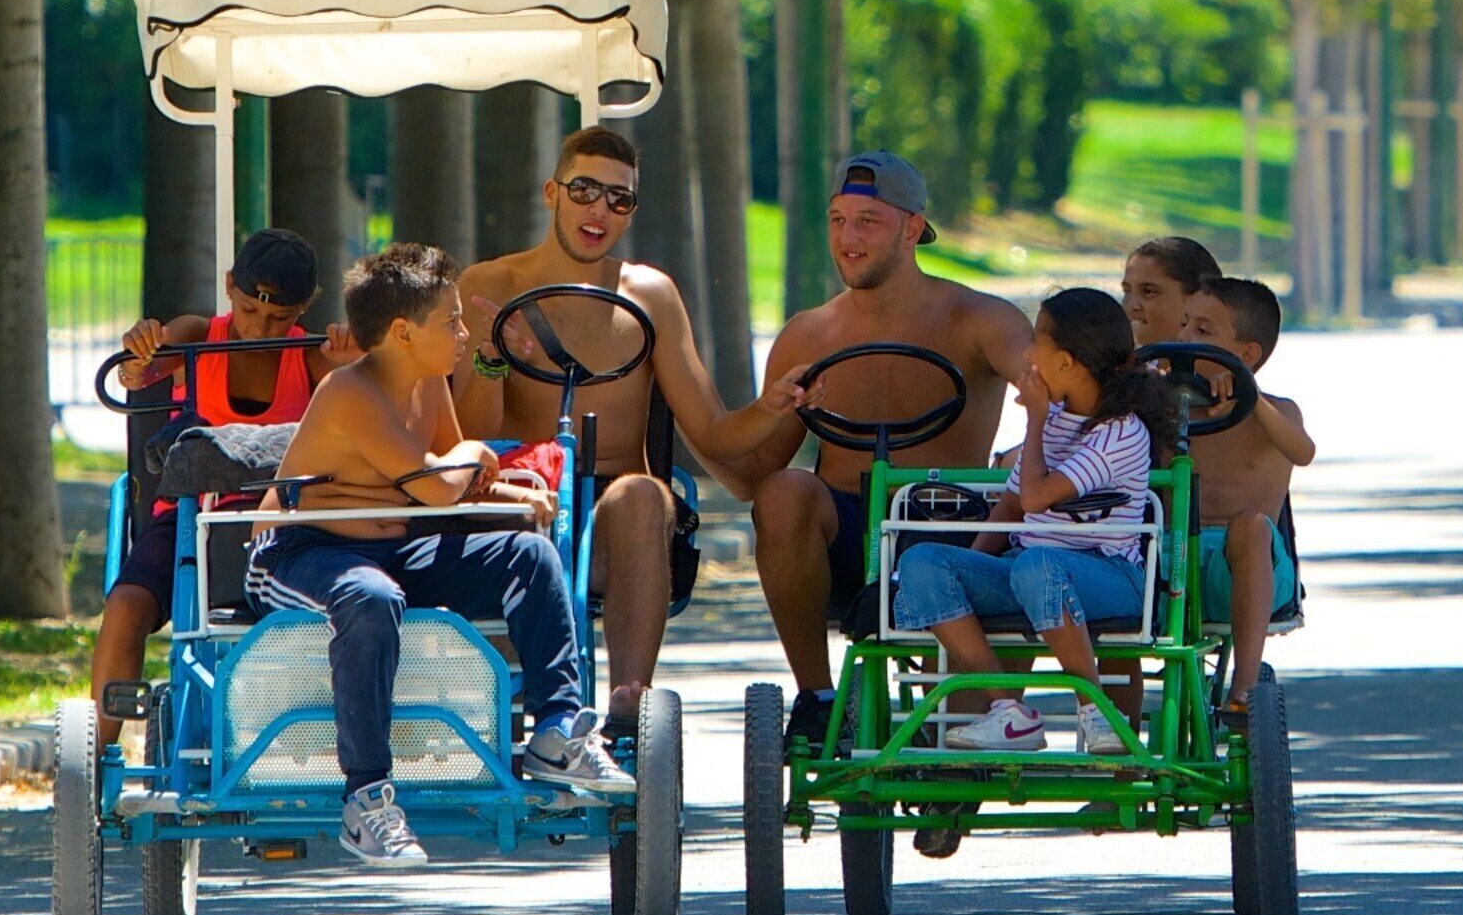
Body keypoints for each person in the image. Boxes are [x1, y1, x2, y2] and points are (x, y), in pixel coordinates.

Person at [249, 243, 630, 866]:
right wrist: (475, 454)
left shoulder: (428, 384)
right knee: (370, 596)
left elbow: (458, 484)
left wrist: (513, 490)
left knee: (530, 555)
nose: (463, 333)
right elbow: (438, 481)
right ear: (402, 332)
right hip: (301, 553)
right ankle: (366, 797)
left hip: (392, 548)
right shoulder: (349, 390)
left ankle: (556, 732)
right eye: (451, 321)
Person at [455, 123, 767, 733]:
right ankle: (512, 711)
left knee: (645, 494)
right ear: (552, 193)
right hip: (517, 494)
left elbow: (712, 432)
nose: (599, 209)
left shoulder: (651, 294)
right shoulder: (489, 285)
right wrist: (492, 359)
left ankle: (630, 708)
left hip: (614, 516)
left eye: (619, 199)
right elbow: (468, 435)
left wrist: (780, 406)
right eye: (584, 191)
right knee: (504, 516)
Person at [741, 151, 1038, 724]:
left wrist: (1028, 451)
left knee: (960, 737)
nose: (848, 238)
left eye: (867, 222)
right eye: (837, 220)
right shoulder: (808, 334)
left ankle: (961, 736)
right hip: (846, 536)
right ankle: (818, 699)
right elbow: (755, 473)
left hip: (958, 532)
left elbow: (1053, 389)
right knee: (783, 493)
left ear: (912, 229)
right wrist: (699, 418)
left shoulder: (982, 318)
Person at [892, 287, 1180, 754]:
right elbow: (1010, 508)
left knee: (1038, 563)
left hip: (1108, 576)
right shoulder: (1056, 418)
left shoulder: (1121, 431)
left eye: (1036, 342)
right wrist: (962, 574)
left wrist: (1035, 421)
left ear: (1066, 362)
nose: (1027, 355)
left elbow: (1034, 497)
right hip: (1030, 570)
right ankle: (1008, 710)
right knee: (923, 561)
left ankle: (1096, 710)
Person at [89, 228, 347, 712]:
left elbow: (363, 403)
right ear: (229, 285)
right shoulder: (197, 335)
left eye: (279, 317)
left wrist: (353, 361)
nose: (260, 327)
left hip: (284, 523)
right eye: (249, 309)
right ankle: (100, 748)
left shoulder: (314, 354)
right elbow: (138, 375)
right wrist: (137, 355)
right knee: (124, 605)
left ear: (306, 306)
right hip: (190, 516)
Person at [1175, 274, 1313, 709]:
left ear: (1246, 355)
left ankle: (1244, 687)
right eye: (1183, 324)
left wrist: (1250, 398)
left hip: (1246, 569)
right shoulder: (1163, 408)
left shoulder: (1277, 412)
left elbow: (1303, 451)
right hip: (1168, 563)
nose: (1184, 338)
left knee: (1251, 527)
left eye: (1202, 330)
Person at [1120, 233, 1223, 348]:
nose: (1131, 305)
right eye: (1127, 291)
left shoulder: (1223, 358)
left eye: (1148, 291)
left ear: (1198, 301)